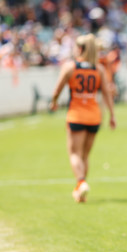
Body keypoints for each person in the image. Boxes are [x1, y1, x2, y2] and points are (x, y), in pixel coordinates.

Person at [50, 33, 116, 202]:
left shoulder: (70, 67)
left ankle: (81, 182)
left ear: (80, 48)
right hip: (94, 115)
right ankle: (80, 193)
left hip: (76, 115)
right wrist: (112, 115)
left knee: (74, 154)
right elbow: (107, 94)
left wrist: (54, 102)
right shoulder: (98, 69)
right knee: (85, 156)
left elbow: (57, 89)